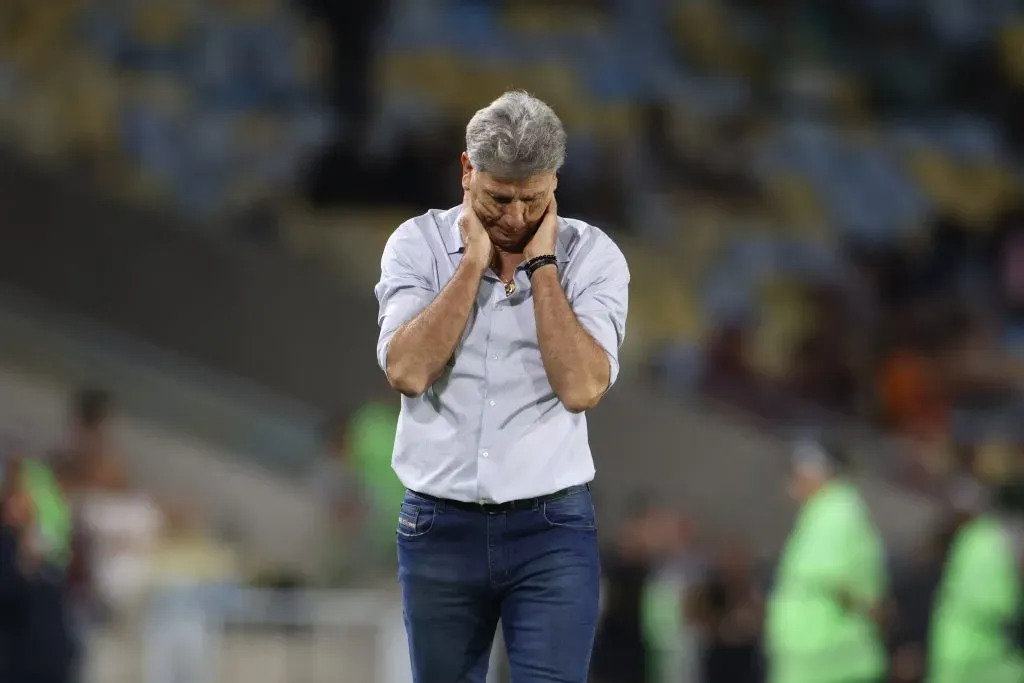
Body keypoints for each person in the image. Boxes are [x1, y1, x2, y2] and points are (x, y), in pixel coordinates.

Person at [373, 90, 630, 683]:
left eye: (532, 200)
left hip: (552, 532)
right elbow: (408, 371)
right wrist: (469, 266)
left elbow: (583, 387)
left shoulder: (593, 258)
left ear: (555, 183)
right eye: (498, 199)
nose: (515, 217)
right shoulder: (416, 246)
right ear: (467, 172)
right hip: (439, 527)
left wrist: (542, 271)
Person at [765, 438, 887, 683]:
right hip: (818, 660)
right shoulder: (826, 510)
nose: (792, 483)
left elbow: (837, 582)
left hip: (827, 661)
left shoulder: (835, 512)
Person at [927, 479, 1024, 683]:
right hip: (974, 661)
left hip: (983, 659)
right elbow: (995, 606)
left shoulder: (979, 537)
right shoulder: (988, 544)